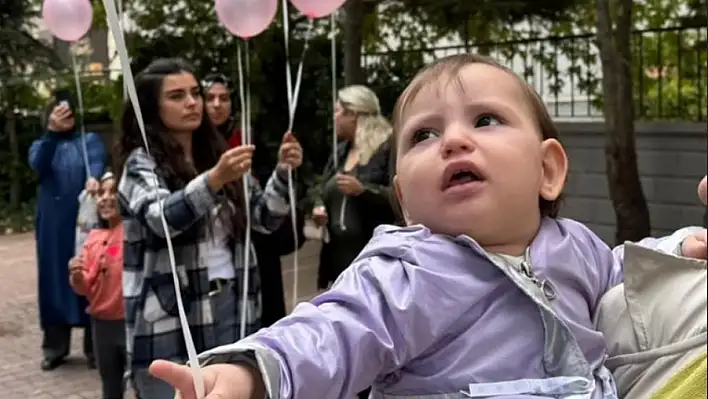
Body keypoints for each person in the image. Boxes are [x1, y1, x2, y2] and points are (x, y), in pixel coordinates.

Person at [148, 54, 707, 399]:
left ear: (548, 170)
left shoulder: (576, 246)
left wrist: (682, 246)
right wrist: (252, 371)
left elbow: (622, 274)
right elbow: (335, 330)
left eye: (486, 120)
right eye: (423, 136)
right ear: (405, 201)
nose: (455, 141)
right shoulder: (407, 271)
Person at [114, 58, 302, 399]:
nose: (192, 102)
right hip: (174, 312)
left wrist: (284, 173)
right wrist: (214, 179)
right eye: (176, 96)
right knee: (177, 391)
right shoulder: (140, 163)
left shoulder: (218, 154)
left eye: (194, 93)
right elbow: (162, 220)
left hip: (234, 299)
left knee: (232, 391)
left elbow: (265, 219)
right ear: (151, 107)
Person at [203, 73, 305, 326]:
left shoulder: (247, 137)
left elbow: (267, 196)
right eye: (210, 98)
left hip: (258, 244)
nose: (217, 105)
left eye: (224, 98)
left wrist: (284, 169)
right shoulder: (189, 146)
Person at [28, 95, 106, 371]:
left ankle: (94, 348)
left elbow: (96, 161)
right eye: (58, 114)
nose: (65, 118)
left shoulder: (88, 141)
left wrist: (95, 176)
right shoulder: (41, 144)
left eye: (69, 113)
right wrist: (51, 133)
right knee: (53, 281)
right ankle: (54, 347)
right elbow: (38, 164)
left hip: (84, 222)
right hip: (52, 225)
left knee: (89, 276)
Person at [311, 85, 396, 290]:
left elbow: (402, 198)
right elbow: (321, 189)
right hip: (338, 262)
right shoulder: (340, 152)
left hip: (375, 262)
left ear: (353, 115)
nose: (334, 118)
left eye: (337, 111)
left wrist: (363, 191)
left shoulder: (387, 148)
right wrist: (319, 207)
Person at [69, 171, 126, 399]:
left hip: (131, 323)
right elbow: (85, 288)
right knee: (110, 388)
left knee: (145, 386)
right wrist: (77, 277)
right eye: (101, 192)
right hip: (102, 325)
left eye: (113, 191)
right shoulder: (92, 238)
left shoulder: (135, 233)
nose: (105, 197)